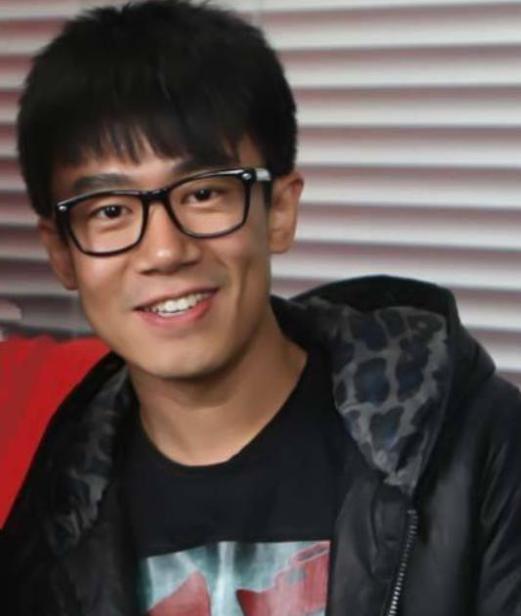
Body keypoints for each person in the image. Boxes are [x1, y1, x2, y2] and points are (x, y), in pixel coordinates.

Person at [2, 1, 521, 614]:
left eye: (203, 193)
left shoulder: (472, 446)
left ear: (278, 210)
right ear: (61, 253)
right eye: (110, 211)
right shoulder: (47, 527)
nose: (164, 251)